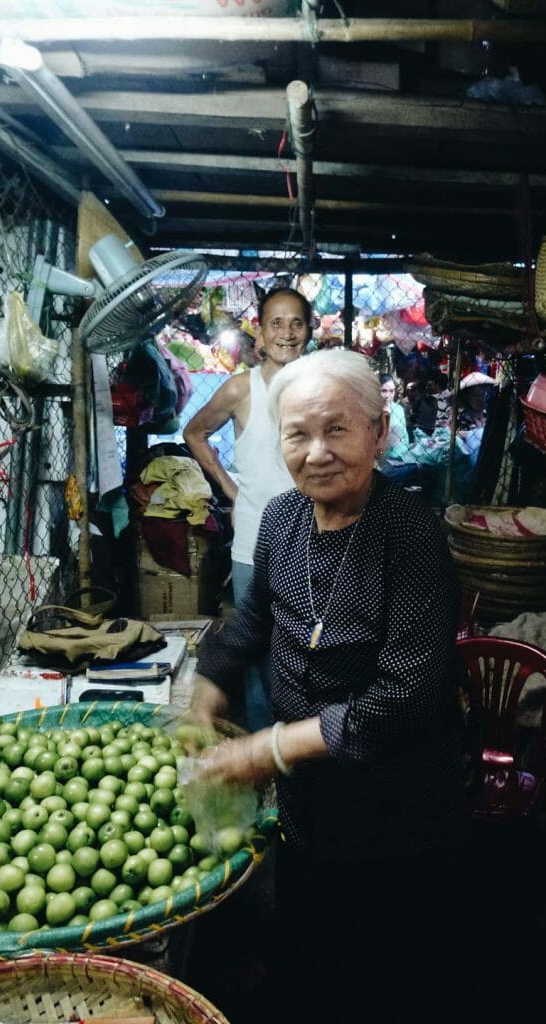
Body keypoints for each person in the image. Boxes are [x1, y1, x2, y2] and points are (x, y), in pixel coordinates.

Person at [189, 348, 470, 1023]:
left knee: (382, 963)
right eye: (297, 433)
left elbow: (401, 697)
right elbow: (251, 622)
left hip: (392, 805)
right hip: (306, 803)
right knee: (309, 931)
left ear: (378, 434)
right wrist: (207, 689)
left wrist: (273, 748)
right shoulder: (283, 521)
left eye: (337, 430)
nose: (317, 452)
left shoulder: (412, 539)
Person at [184, 287, 311, 730]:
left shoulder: (320, 388)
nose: (286, 333)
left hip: (313, 544)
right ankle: (263, 751)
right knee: (256, 657)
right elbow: (194, 432)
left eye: (296, 323)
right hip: (254, 545)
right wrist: (231, 491)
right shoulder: (242, 388)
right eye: (276, 322)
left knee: (304, 652)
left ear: (309, 331)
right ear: (260, 330)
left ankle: (301, 749)